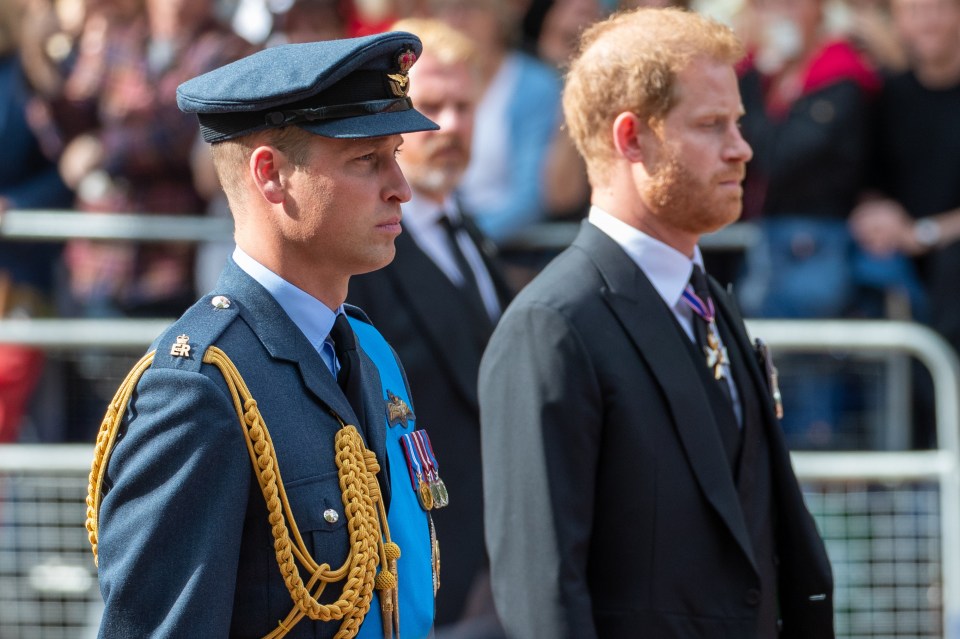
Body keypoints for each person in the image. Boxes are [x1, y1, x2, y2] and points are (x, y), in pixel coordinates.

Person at [478, 8, 834, 638]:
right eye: (711, 125)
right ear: (631, 138)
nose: (741, 147)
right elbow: (544, 596)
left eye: (738, 123)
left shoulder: (708, 301)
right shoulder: (553, 327)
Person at [87, 32, 442, 638]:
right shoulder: (199, 390)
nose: (401, 187)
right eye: (366, 159)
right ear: (271, 175)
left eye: (397, 153)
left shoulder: (367, 350)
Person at [348, 19, 511, 637]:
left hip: (488, 552)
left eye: (464, 107)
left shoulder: (470, 234)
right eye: (431, 106)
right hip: (416, 561)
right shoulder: (361, 256)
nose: (452, 125)